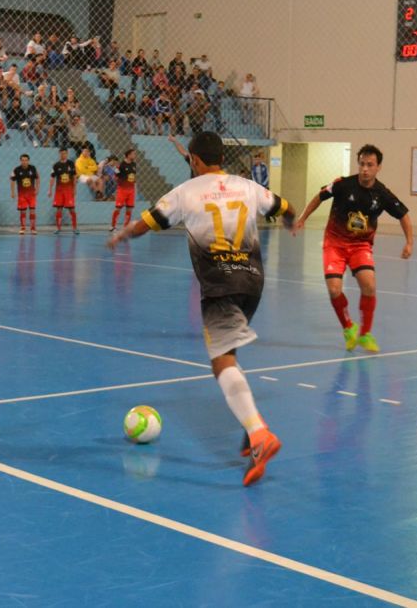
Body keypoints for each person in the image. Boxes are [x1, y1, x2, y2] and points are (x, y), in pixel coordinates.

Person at [107, 131, 294, 486]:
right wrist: (291, 221)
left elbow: (148, 224)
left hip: (220, 283)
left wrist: (121, 235)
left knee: (221, 361)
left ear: (193, 159)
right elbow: (284, 208)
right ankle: (248, 425)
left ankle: (258, 434)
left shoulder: (185, 192)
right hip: (253, 282)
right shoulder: (248, 186)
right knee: (230, 353)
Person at [292, 144, 412, 354]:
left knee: (369, 286)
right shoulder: (342, 184)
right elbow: (319, 197)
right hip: (335, 243)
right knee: (334, 289)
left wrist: (409, 242)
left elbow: (403, 215)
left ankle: (365, 334)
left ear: (378, 167)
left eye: (370, 165)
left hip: (360, 246)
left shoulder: (382, 194)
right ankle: (348, 328)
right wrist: (302, 218)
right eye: (362, 164)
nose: (365, 169)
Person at [49, 147, 78, 234]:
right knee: (59, 209)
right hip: (59, 191)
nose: (63, 155)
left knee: (72, 209)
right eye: (61, 153)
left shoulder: (71, 164)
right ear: (59, 154)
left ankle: (75, 228)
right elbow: (52, 177)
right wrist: (50, 190)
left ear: (67, 154)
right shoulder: (56, 165)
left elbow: (74, 177)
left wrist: (75, 189)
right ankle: (58, 228)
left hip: (69, 190)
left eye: (65, 153)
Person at [10, 153, 39, 235]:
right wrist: (12, 192)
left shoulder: (33, 168)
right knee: (23, 211)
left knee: (32, 210)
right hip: (22, 194)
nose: (24, 162)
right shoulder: (16, 170)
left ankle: (33, 228)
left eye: (26, 160)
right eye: (22, 160)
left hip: (31, 194)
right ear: (20, 161)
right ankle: (23, 227)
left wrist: (37, 188)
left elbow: (37, 178)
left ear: (28, 161)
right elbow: (12, 180)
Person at [111, 149, 138, 231]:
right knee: (118, 208)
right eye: (133, 154)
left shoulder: (134, 164)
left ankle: (125, 227)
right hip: (122, 189)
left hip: (131, 189)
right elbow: (115, 176)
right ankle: (113, 226)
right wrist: (120, 181)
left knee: (129, 208)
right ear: (128, 155)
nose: (135, 155)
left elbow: (134, 176)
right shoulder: (121, 165)